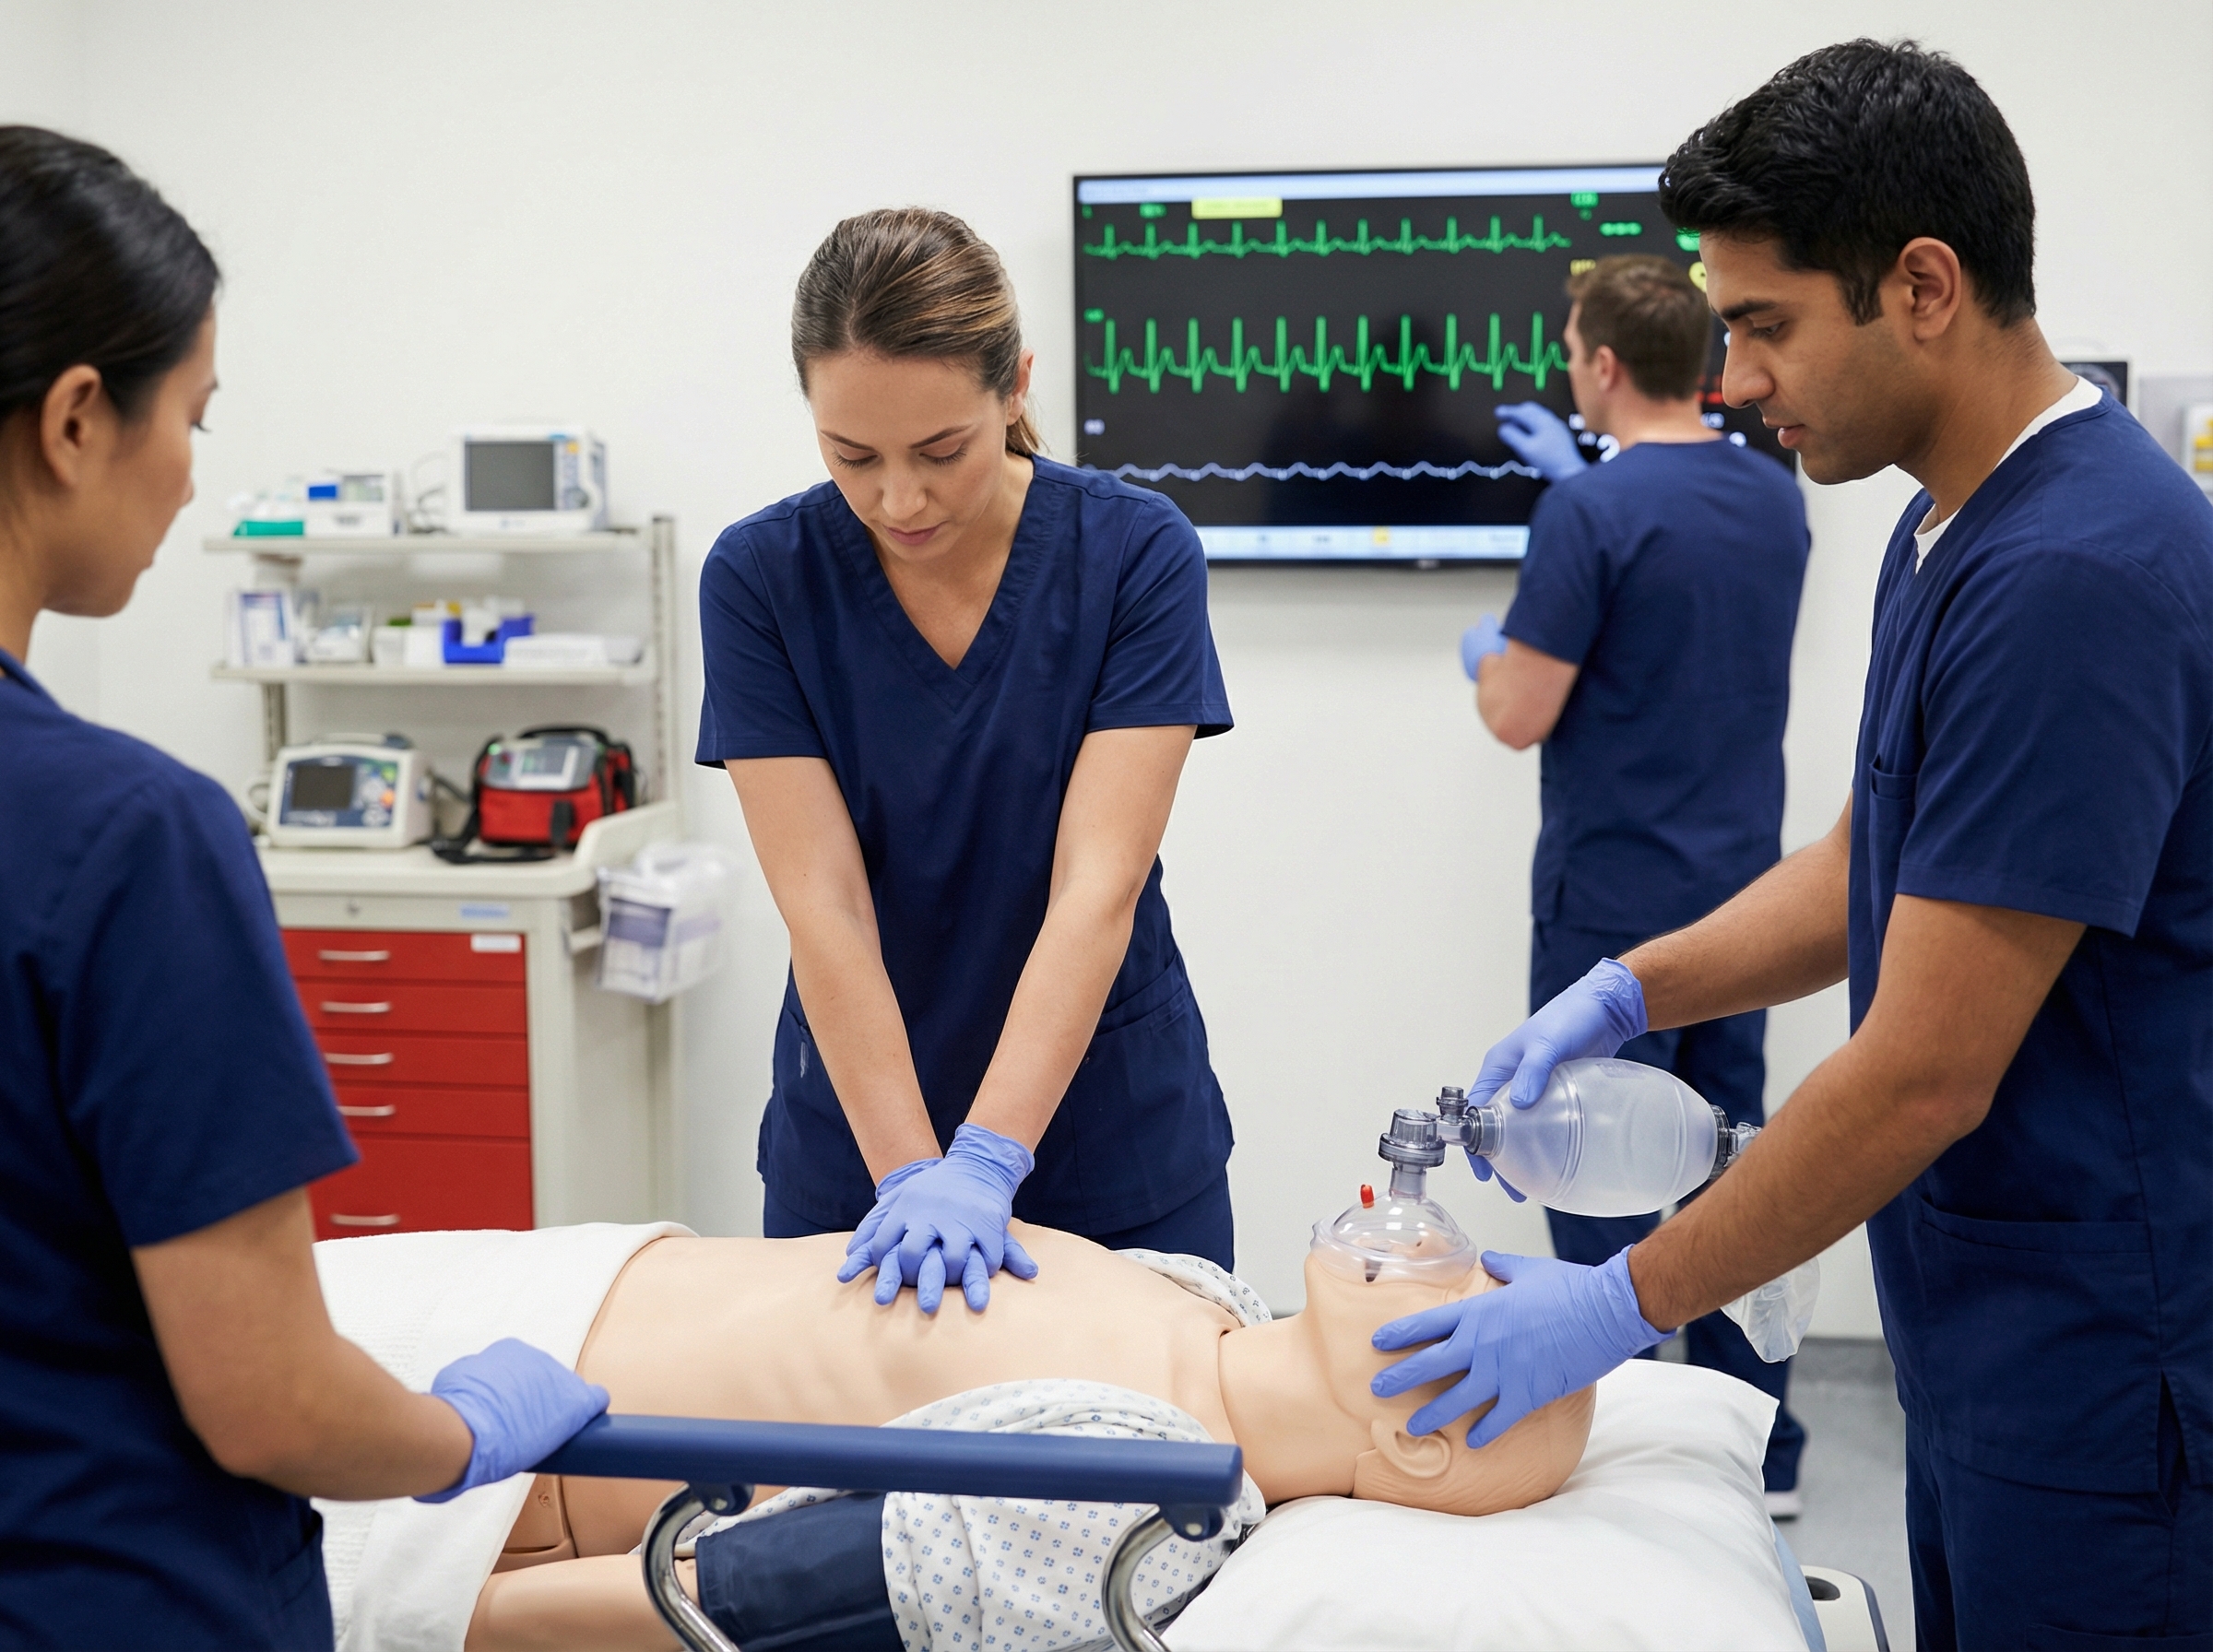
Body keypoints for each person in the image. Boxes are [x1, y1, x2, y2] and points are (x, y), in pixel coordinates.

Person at [1371, 41, 2213, 1646]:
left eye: (1765, 325)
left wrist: (1617, 1301)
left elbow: (1919, 1075)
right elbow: (1861, 864)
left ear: (1923, 286)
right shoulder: (1944, 523)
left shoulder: (2076, 574)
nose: (1738, 379)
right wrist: (1629, 988)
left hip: (2107, 1369)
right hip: (1989, 1328)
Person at [0, 126, 608, 1649]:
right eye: (191, 417)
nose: (191, 475)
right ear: (76, 419)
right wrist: (460, 1434)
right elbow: (270, 1396)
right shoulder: (125, 836)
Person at [699, 208, 1236, 1314]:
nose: (899, 500)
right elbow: (824, 905)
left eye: (941, 451)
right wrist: (909, 1172)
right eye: (852, 456)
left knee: (1152, 1423)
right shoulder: (761, 578)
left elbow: (1097, 886)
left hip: (1110, 1136)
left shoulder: (1135, 554)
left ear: (1016, 387)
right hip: (856, 1143)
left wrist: (986, 1158)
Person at [457, 1221, 1596, 1651]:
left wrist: (419, 1608)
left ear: (1418, 1444)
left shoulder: (1141, 1500)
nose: (1450, 1248)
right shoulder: (1211, 1297)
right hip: (547, 1279)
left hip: (492, 1472)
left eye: (1475, 1302)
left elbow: (722, 1598)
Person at [1461, 254, 1812, 1515]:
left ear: (1603, 364)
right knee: (1733, 1166)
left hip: (1612, 906)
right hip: (1742, 904)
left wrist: (1487, 652)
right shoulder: (1773, 494)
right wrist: (1584, 486)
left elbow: (1518, 711)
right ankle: (1754, 1451)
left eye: (1572, 352)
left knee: (1588, 1167)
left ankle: (1602, 1437)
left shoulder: (1588, 515)